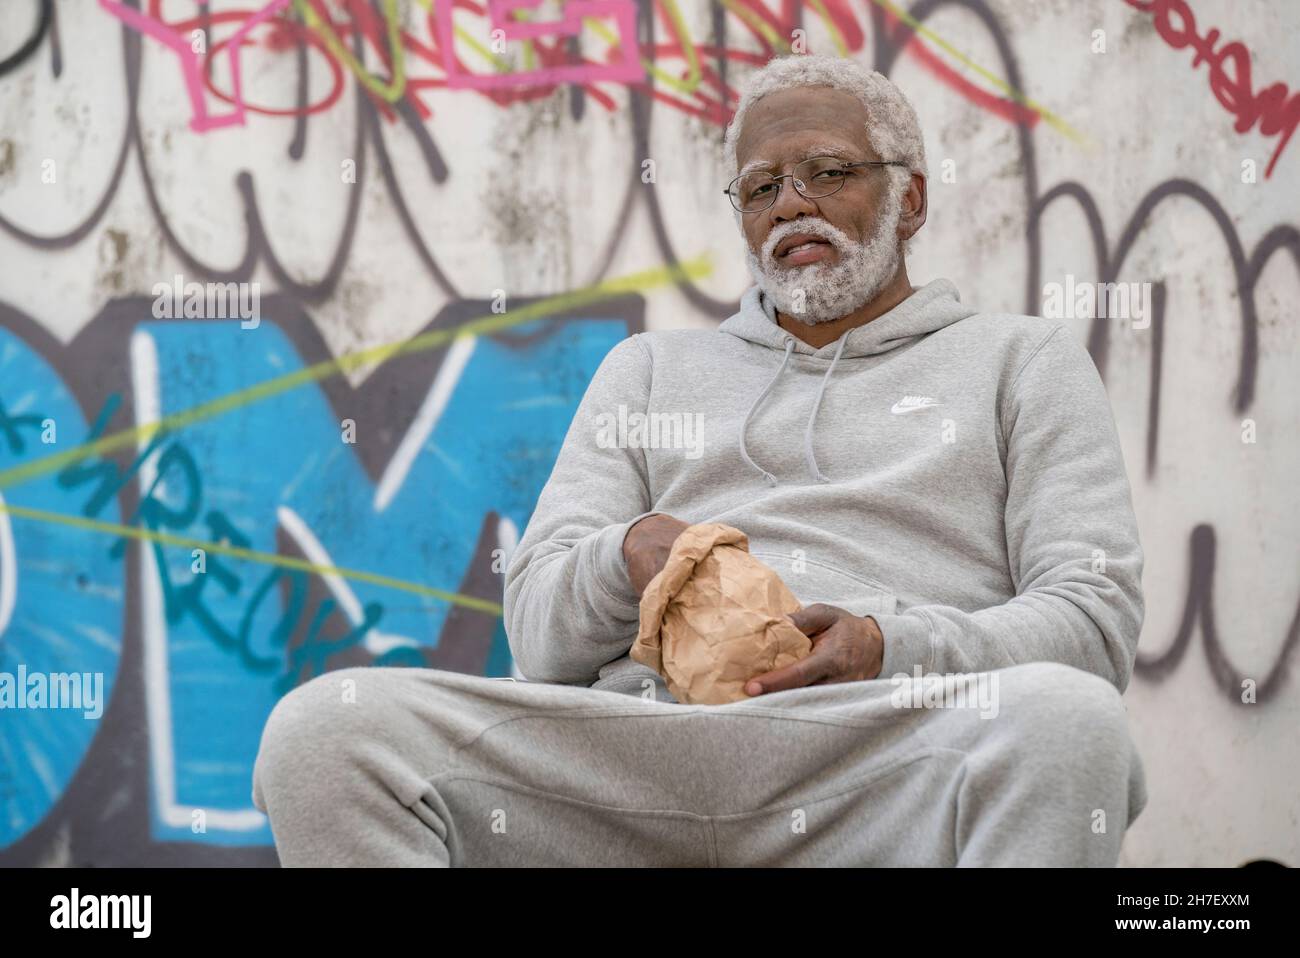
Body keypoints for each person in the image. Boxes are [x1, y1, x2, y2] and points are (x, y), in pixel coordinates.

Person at [252, 54, 1148, 867]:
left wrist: (889, 647)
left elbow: (1092, 625)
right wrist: (629, 554)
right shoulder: (649, 371)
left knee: (1068, 724)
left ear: (909, 199)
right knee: (327, 733)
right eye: (759, 189)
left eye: (827, 173)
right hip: (642, 758)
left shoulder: (1023, 361)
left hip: (879, 752)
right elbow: (535, 634)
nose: (790, 205)